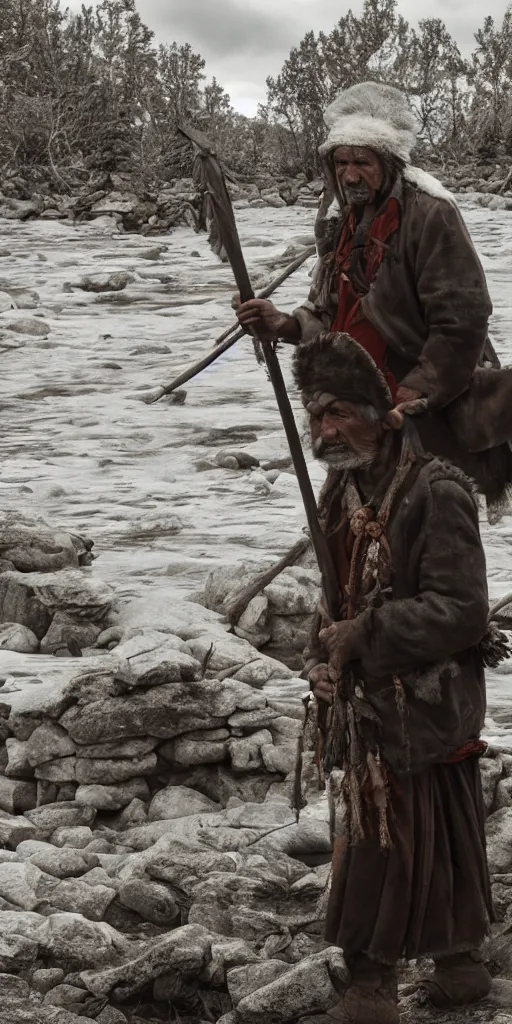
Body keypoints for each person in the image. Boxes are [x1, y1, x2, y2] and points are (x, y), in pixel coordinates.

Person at [294, 330, 499, 1024]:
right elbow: (333, 599)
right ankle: (459, 966)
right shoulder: (341, 486)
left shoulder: (437, 490)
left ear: (381, 413)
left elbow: (463, 609)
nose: (323, 429)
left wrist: (367, 637)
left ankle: (372, 984)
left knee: (397, 832)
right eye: (314, 414)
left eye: (337, 412)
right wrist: (321, 658)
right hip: (370, 700)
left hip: (429, 699)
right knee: (419, 827)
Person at [236, 81, 512, 513]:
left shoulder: (431, 213)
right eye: (342, 162)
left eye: (361, 162)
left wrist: (416, 391)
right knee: (355, 522)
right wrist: (284, 325)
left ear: (387, 162)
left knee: (428, 519)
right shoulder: (339, 219)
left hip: (416, 405)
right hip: (352, 408)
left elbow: (462, 320)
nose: (349, 175)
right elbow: (331, 310)